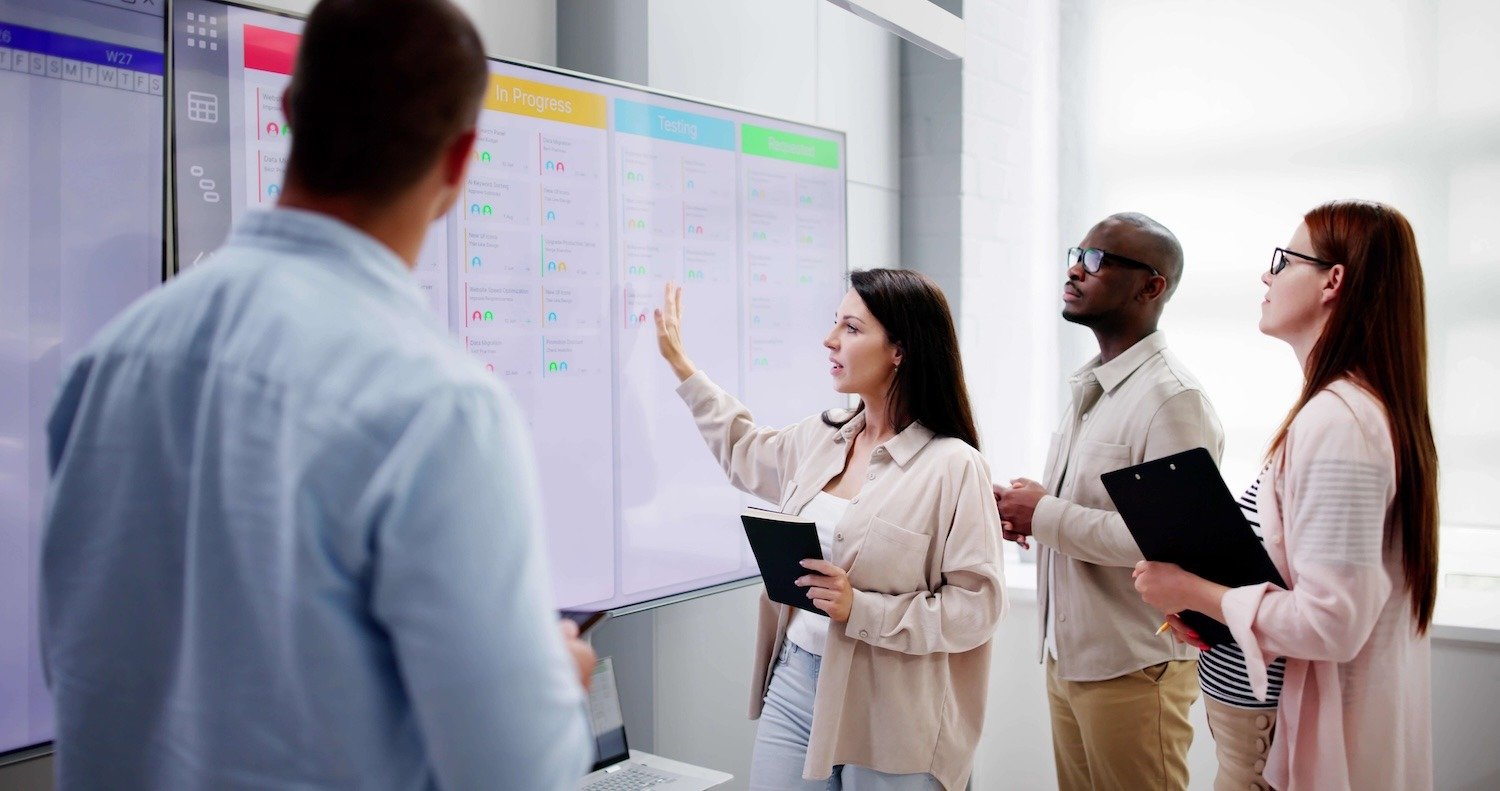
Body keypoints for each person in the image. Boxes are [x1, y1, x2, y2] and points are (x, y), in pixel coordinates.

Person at [40, 1, 594, 788]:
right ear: (461, 159)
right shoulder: (438, 408)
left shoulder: (109, 363)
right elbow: (514, 771)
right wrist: (558, 688)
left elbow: (77, 666)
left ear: (292, 110)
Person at [654, 270, 1006, 790]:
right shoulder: (821, 437)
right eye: (834, 324)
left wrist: (859, 609)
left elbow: (976, 610)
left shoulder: (953, 466)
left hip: (895, 706)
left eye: (851, 328)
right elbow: (742, 450)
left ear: (899, 352)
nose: (830, 340)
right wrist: (682, 367)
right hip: (796, 680)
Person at [1134, 200, 1437, 790]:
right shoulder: (1341, 411)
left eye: (1284, 259)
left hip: (1271, 738)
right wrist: (1214, 608)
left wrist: (1195, 590)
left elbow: (1331, 623)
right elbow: (1296, 579)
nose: (1267, 276)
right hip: (1255, 720)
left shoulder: (1340, 422)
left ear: (1334, 280)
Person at [995, 212, 1223, 791]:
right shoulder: (1092, 387)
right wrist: (1030, 511)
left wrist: (1044, 514)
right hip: (1070, 658)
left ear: (1152, 287)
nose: (1075, 268)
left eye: (1098, 259)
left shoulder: (1173, 398)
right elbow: (1092, 510)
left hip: (1134, 666)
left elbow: (1170, 545)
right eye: (1077, 252)